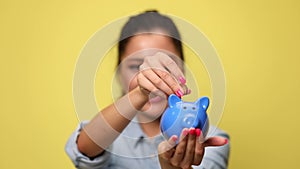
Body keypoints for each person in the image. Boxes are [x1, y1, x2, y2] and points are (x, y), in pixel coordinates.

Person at [65, 10, 230, 169]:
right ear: (119, 72)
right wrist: (140, 92)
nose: (153, 76)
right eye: (136, 66)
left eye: (165, 64)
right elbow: (83, 150)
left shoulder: (208, 137)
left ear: (182, 70)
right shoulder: (109, 135)